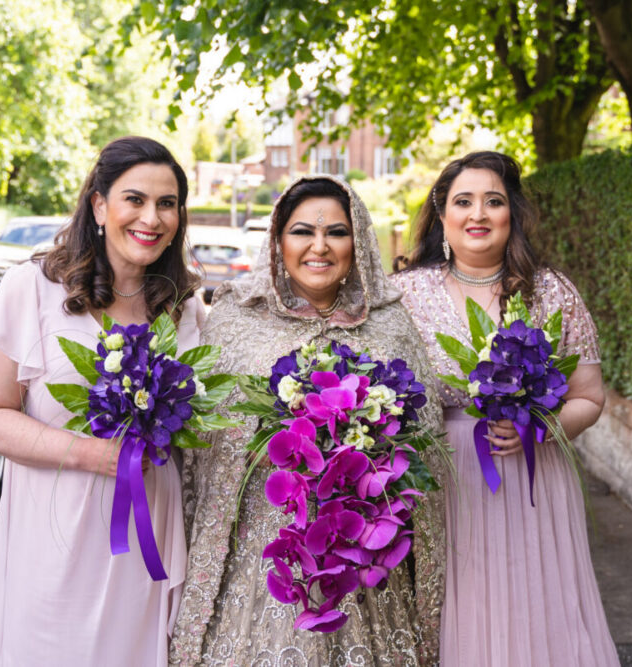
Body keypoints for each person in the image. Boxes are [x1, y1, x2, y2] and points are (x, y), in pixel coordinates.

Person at [169, 176, 446, 665]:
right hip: (265, 537)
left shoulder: (389, 320)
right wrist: (268, 445)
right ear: (278, 241)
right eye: (302, 232)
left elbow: (424, 431)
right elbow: (208, 435)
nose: (320, 247)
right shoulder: (237, 315)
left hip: (360, 544)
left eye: (336, 232)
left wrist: (370, 444)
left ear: (358, 243)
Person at [0, 136, 205, 666]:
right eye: (134, 199)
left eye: (167, 204)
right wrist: (92, 454)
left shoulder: (185, 309)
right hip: (55, 540)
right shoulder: (34, 289)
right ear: (98, 205)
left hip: (148, 540)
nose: (152, 218)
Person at [390, 151, 620, 666]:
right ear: (442, 213)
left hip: (534, 478)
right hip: (445, 480)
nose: (478, 214)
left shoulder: (551, 291)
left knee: (539, 610)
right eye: (463, 201)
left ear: (511, 212)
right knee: (463, 609)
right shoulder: (403, 295)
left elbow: (589, 397)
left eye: (493, 201)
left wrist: (540, 428)